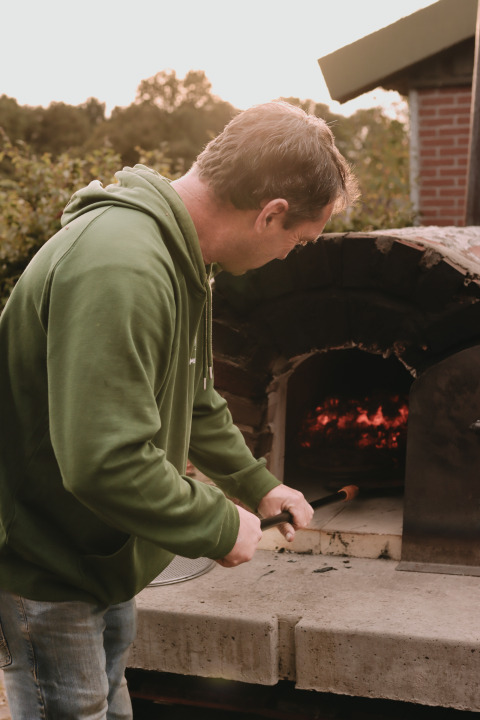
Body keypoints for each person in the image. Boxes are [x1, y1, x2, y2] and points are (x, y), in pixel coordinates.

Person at [0, 101, 358, 719]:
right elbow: (105, 463)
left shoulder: (178, 257)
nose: (288, 255)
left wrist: (259, 486)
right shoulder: (123, 266)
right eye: (297, 241)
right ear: (270, 214)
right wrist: (218, 525)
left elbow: (193, 397)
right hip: (48, 562)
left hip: (98, 550)